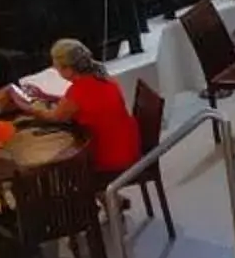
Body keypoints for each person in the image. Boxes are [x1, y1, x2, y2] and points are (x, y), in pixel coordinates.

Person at [14, 38, 141, 176]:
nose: (54, 69)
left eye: (56, 66)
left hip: (111, 156)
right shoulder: (102, 77)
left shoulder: (78, 91)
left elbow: (55, 117)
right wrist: (46, 96)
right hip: (127, 145)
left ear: (68, 69)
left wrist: (28, 109)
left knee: (56, 160)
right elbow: (74, 105)